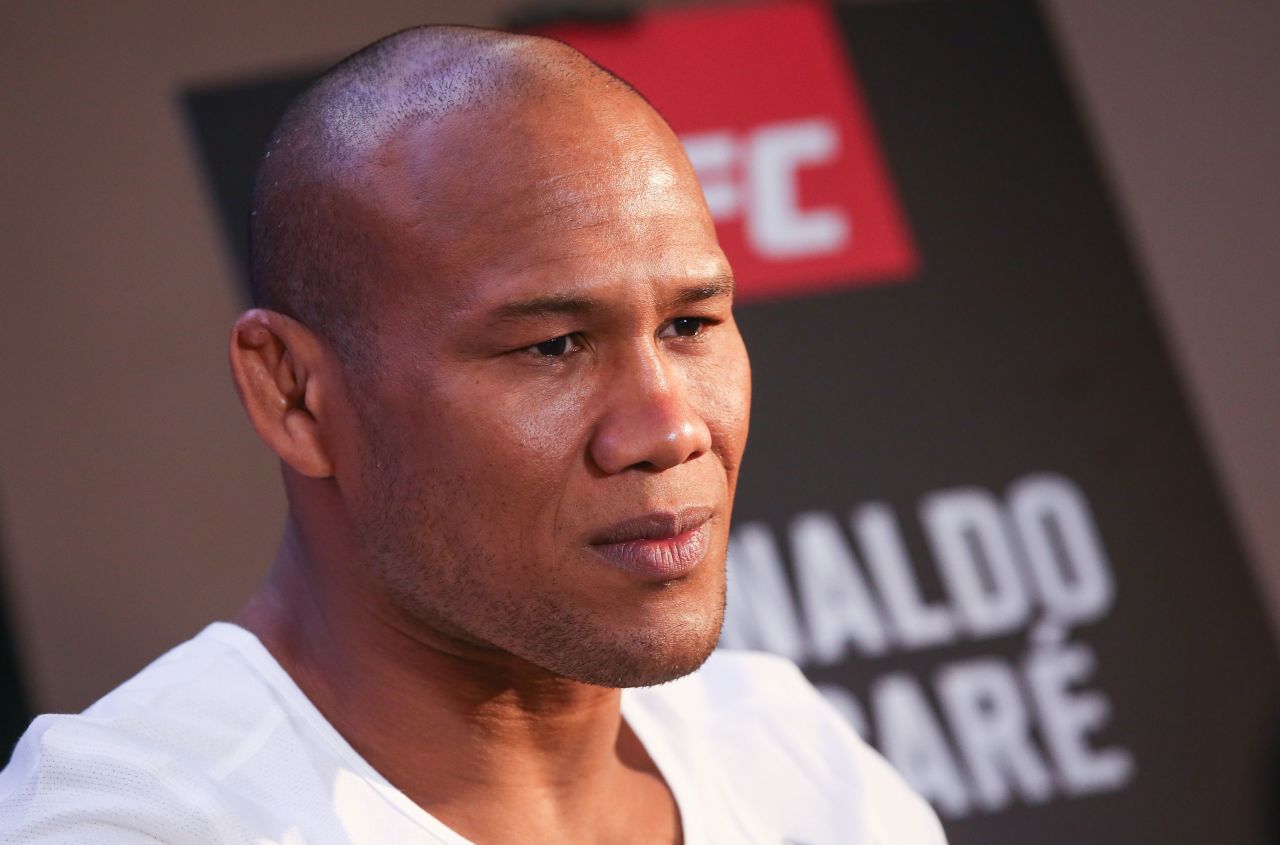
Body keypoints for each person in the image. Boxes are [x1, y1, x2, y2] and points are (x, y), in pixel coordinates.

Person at [0, 25, 945, 845]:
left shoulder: (792, 756)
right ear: (292, 393)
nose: (669, 428)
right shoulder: (139, 820)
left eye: (690, 325)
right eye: (554, 345)